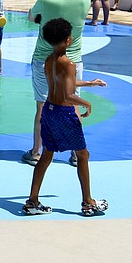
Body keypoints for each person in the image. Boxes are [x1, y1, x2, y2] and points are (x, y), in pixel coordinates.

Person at [23, 18, 108, 216]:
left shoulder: (49, 60)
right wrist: (87, 104)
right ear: (68, 40)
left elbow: (61, 86)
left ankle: (32, 201)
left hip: (49, 111)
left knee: (46, 155)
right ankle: (88, 202)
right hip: (65, 113)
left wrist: (89, 83)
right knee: (83, 155)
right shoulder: (68, 63)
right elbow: (68, 95)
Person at [24, 0, 92, 166]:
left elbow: (31, 17)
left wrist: (44, 20)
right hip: (73, 60)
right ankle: (76, 153)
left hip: (46, 60)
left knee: (43, 104)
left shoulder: (47, 0)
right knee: (73, 105)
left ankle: (36, 151)